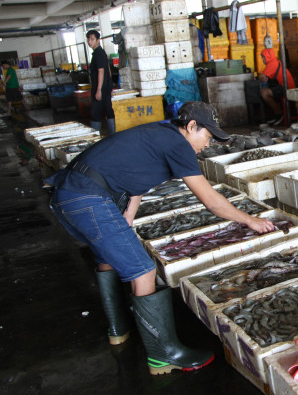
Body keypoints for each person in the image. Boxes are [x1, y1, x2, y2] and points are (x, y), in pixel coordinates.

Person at [43, 101, 275, 375]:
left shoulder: (161, 132)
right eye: (208, 136)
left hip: (69, 193)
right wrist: (250, 220)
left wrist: (126, 218)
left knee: (107, 257)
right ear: (191, 127)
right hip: (87, 197)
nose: (208, 144)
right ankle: (163, 356)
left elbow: (135, 179)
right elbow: (211, 202)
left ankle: (119, 328)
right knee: (143, 270)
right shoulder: (179, 145)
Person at [86, 29, 115, 135]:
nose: (90, 42)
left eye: (92, 39)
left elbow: (101, 71)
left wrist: (99, 90)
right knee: (108, 110)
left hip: (100, 87)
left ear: (98, 40)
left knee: (95, 113)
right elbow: (108, 69)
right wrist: (110, 85)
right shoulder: (101, 52)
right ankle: (112, 135)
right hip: (105, 86)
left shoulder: (98, 53)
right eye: (88, 39)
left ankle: (95, 138)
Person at [259, 48, 295, 125]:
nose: (262, 59)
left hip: (286, 88)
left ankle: (279, 114)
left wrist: (261, 77)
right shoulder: (275, 62)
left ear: (267, 57)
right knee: (267, 91)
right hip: (284, 87)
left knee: (264, 93)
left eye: (263, 57)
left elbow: (262, 77)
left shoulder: (272, 64)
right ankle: (276, 114)